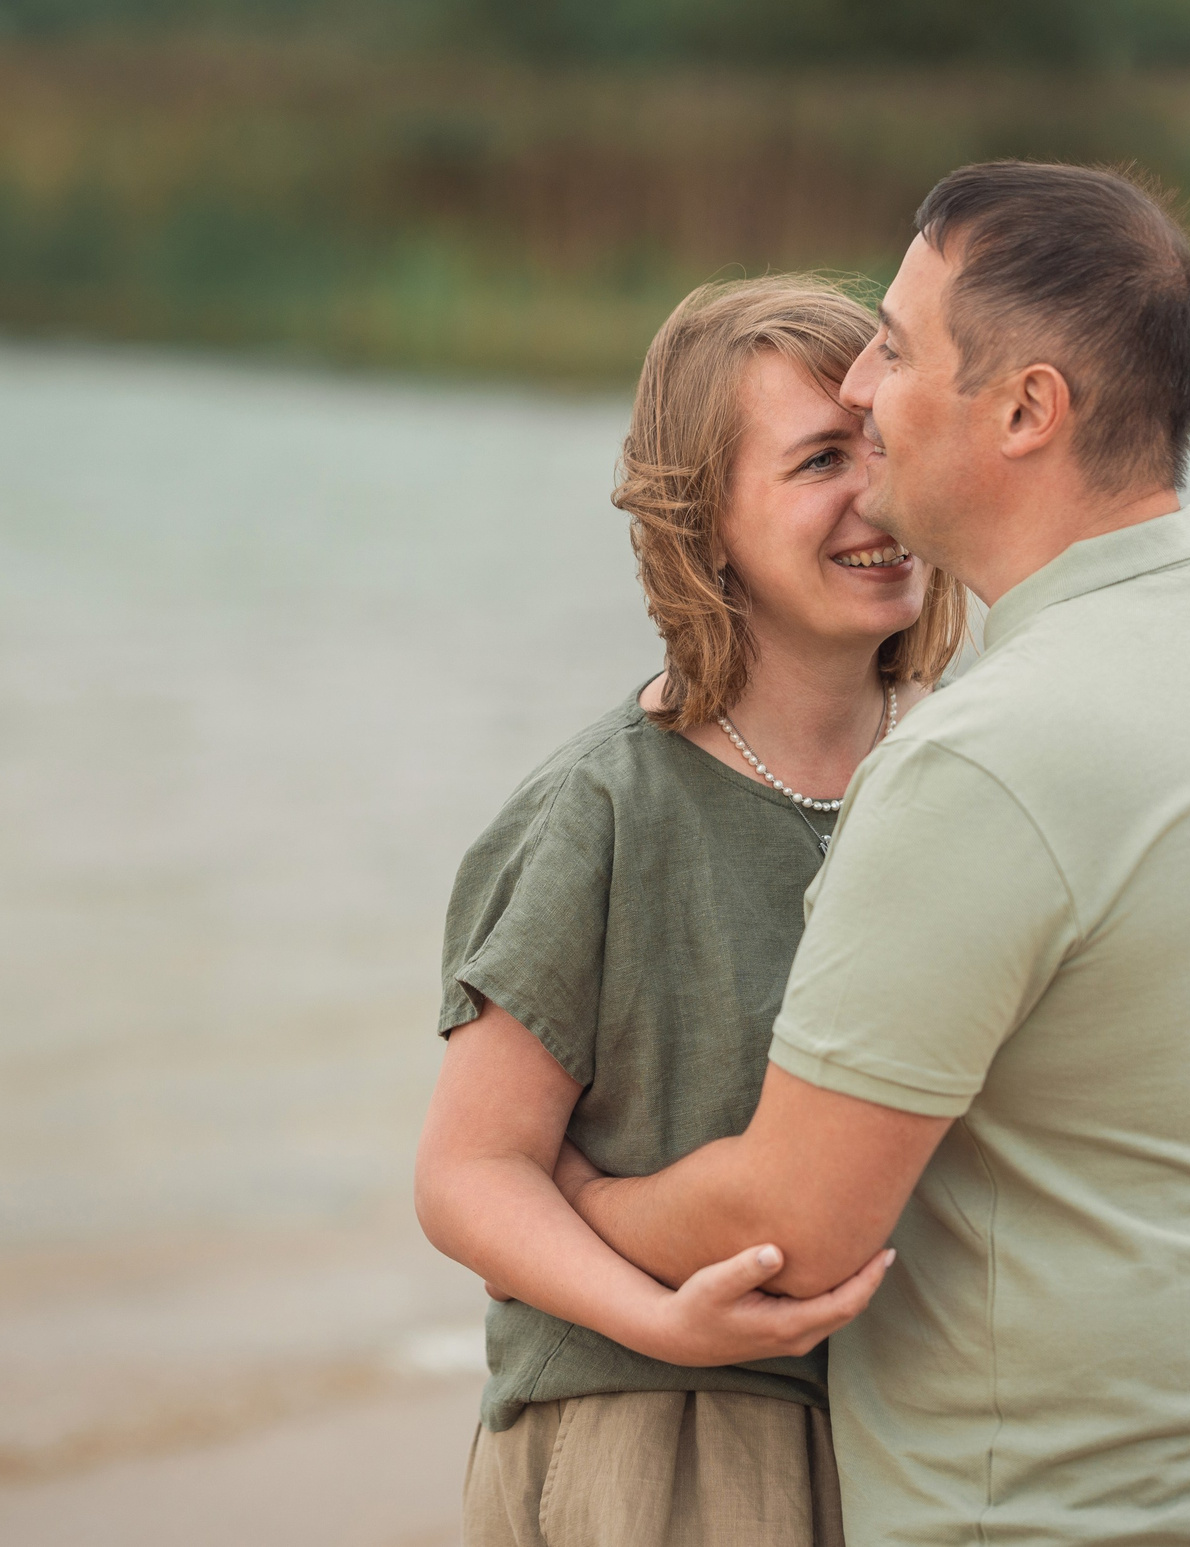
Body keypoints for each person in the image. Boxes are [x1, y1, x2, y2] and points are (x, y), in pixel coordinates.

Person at [558, 163, 1190, 1544]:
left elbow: (797, 1221)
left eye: (897, 349)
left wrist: (574, 1192)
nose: (858, 389)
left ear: (1028, 409)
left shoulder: (987, 758)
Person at [413, 274, 969, 1547]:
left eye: (885, 445)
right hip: (664, 1432)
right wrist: (661, 1318)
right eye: (821, 458)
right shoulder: (602, 807)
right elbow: (465, 1174)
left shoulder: (963, 774)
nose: (874, 494)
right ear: (703, 521)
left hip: (915, 1436)